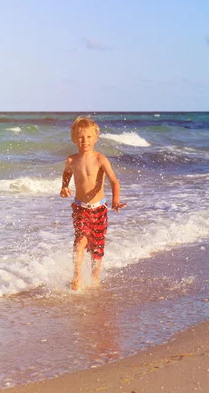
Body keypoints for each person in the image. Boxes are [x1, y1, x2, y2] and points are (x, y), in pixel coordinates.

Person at [60, 117, 126, 290]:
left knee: (97, 247)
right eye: (81, 137)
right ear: (74, 139)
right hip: (80, 207)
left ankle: (95, 277)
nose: (85, 141)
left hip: (99, 209)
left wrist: (115, 200)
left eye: (89, 137)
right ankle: (77, 277)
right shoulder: (71, 160)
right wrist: (64, 187)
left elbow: (114, 181)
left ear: (96, 138)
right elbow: (67, 174)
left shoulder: (100, 159)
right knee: (80, 240)